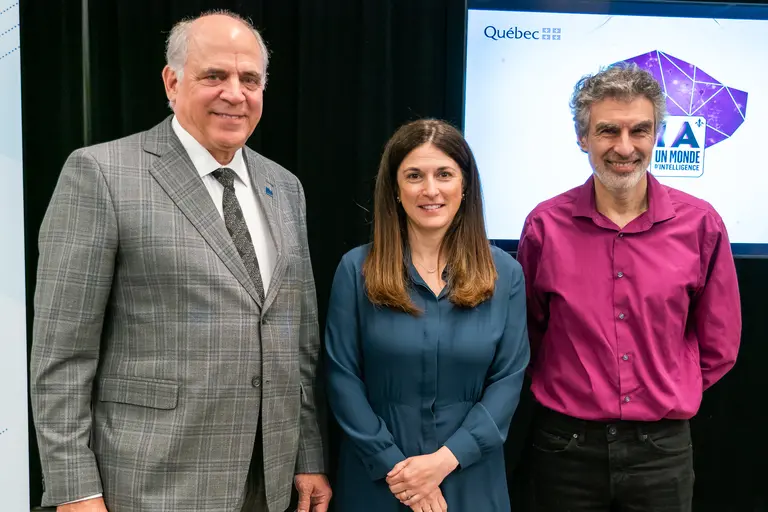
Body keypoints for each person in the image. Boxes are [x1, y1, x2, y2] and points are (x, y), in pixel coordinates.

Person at [30, 11, 331, 512]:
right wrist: (75, 490)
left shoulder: (285, 188)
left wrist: (308, 455)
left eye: (249, 79)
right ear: (172, 82)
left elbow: (298, 341)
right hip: (149, 483)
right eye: (215, 75)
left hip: (268, 484)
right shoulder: (101, 174)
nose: (235, 93)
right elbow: (62, 358)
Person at [517, 63, 742, 512]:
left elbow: (720, 344)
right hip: (566, 449)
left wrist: (666, 387)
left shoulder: (701, 224)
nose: (624, 147)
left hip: (661, 451)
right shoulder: (545, 226)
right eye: (607, 131)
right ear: (582, 138)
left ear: (657, 134)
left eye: (639, 130)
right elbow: (527, 334)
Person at [325, 119, 530, 511]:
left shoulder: (506, 274)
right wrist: (399, 472)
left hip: (471, 477)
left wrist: (441, 464)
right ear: (395, 189)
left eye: (445, 174)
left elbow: (508, 380)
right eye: (414, 175)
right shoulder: (356, 270)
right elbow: (341, 378)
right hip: (380, 481)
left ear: (465, 185)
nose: (430, 189)